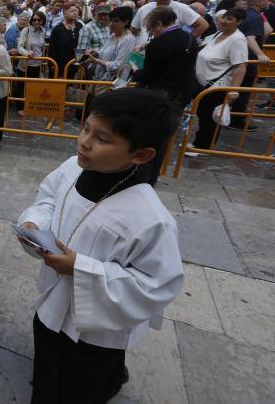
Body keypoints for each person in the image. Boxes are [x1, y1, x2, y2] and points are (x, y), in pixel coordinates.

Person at [17, 87, 184, 404]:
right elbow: (49, 200)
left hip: (96, 331)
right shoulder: (72, 167)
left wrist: (80, 268)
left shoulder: (151, 219)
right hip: (53, 298)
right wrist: (34, 224)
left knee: (83, 380)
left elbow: (156, 286)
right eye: (86, 128)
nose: (84, 141)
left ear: (141, 155)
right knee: (48, 361)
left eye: (102, 139)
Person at [190, 8, 250, 153]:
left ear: (239, 22)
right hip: (204, 83)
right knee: (203, 114)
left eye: (230, 19)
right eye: (224, 17)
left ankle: (203, 146)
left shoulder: (237, 39)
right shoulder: (219, 34)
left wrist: (234, 90)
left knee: (209, 118)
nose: (224, 21)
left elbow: (241, 66)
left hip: (217, 86)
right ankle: (199, 141)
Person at [134, 6, 198, 109]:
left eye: (150, 29)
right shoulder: (191, 38)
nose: (150, 33)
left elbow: (147, 77)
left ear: (159, 24)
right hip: (182, 95)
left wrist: (135, 69)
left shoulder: (157, 44)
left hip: (160, 98)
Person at [230, 0, 272, 130]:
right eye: (268, 0)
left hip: (239, 57)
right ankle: (237, 121)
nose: (270, 3)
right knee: (243, 91)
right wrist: (260, 54)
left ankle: (232, 118)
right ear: (259, 2)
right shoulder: (255, 18)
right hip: (247, 59)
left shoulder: (246, 14)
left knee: (238, 89)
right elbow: (250, 38)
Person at [131, 0, 208, 42]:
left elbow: (203, 25)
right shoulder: (144, 8)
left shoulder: (181, 8)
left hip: (167, 55)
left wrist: (185, 42)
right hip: (143, 54)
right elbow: (134, 29)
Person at [85, 6, 136, 82]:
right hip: (100, 80)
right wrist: (96, 53)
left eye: (115, 21)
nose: (111, 24)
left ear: (126, 22)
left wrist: (96, 60)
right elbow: (107, 55)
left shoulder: (128, 39)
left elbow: (118, 66)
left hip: (112, 85)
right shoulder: (113, 35)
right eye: (110, 21)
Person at [16, 11, 47, 113]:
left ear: (42, 21)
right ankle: (20, 108)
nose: (36, 22)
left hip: (37, 64)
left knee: (33, 87)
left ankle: (30, 107)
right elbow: (20, 47)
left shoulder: (43, 31)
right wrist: (27, 53)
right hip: (26, 64)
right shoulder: (26, 30)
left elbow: (42, 48)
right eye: (34, 20)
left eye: (39, 20)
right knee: (22, 87)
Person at [48, 4, 82, 78]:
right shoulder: (57, 29)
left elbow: (82, 44)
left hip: (75, 63)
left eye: (76, 11)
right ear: (65, 12)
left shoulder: (80, 26)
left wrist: (81, 62)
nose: (75, 13)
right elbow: (52, 48)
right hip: (60, 64)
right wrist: (52, 65)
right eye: (72, 11)